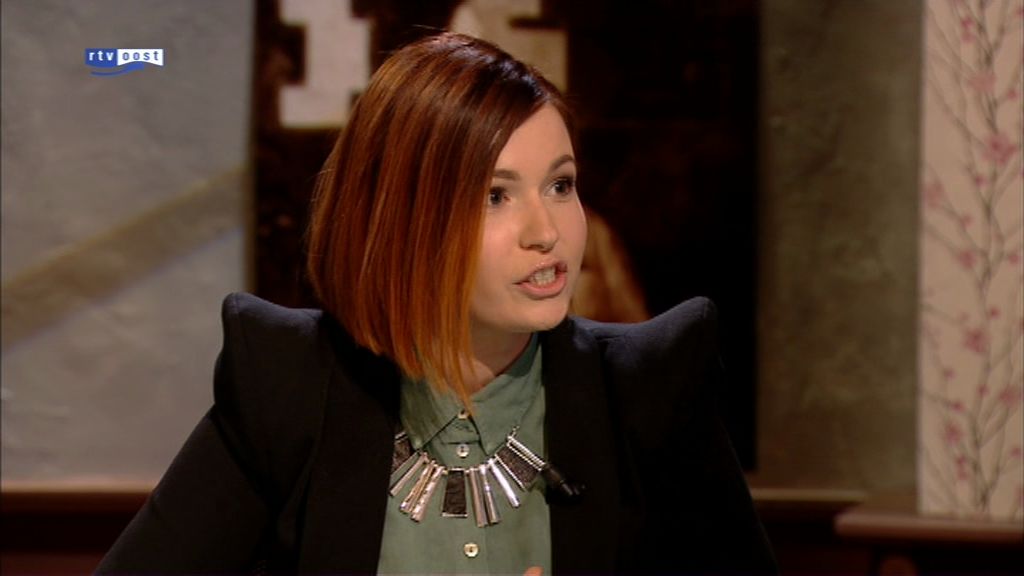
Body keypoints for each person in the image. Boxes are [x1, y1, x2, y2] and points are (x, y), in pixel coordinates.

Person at [97, 32, 776, 575]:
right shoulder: (289, 391)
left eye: (561, 185)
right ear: (401, 221)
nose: (547, 232)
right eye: (495, 196)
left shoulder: (648, 393)